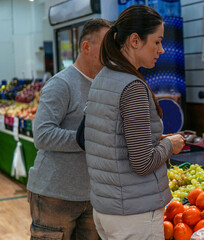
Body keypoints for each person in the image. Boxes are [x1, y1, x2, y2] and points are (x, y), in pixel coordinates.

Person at [84, 5, 185, 240]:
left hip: (106, 210)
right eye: (157, 41)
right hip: (134, 215)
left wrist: (152, 139)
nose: (161, 49)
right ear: (135, 40)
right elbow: (142, 163)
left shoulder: (102, 78)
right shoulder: (132, 87)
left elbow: (107, 138)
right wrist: (171, 145)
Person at [26, 18, 112, 240]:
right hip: (54, 196)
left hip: (93, 196)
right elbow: (42, 135)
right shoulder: (61, 84)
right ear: (86, 47)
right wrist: (85, 139)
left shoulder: (104, 85)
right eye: (106, 47)